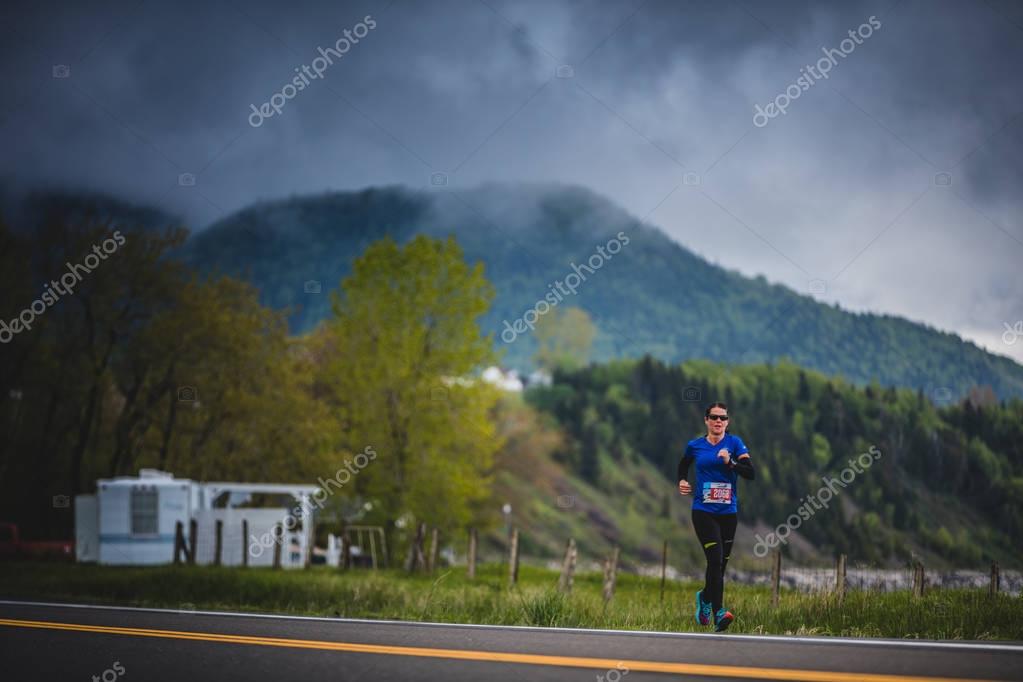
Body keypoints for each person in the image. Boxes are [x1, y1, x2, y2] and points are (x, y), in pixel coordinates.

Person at [678, 401, 754, 632]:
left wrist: (730, 463)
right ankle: (719, 612)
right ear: (706, 420)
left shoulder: (734, 443)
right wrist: (682, 480)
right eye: (714, 417)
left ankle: (704, 597)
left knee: (720, 566)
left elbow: (750, 473)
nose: (718, 421)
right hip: (703, 512)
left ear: (727, 422)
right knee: (715, 560)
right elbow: (683, 464)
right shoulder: (695, 445)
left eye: (723, 418)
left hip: (728, 514)